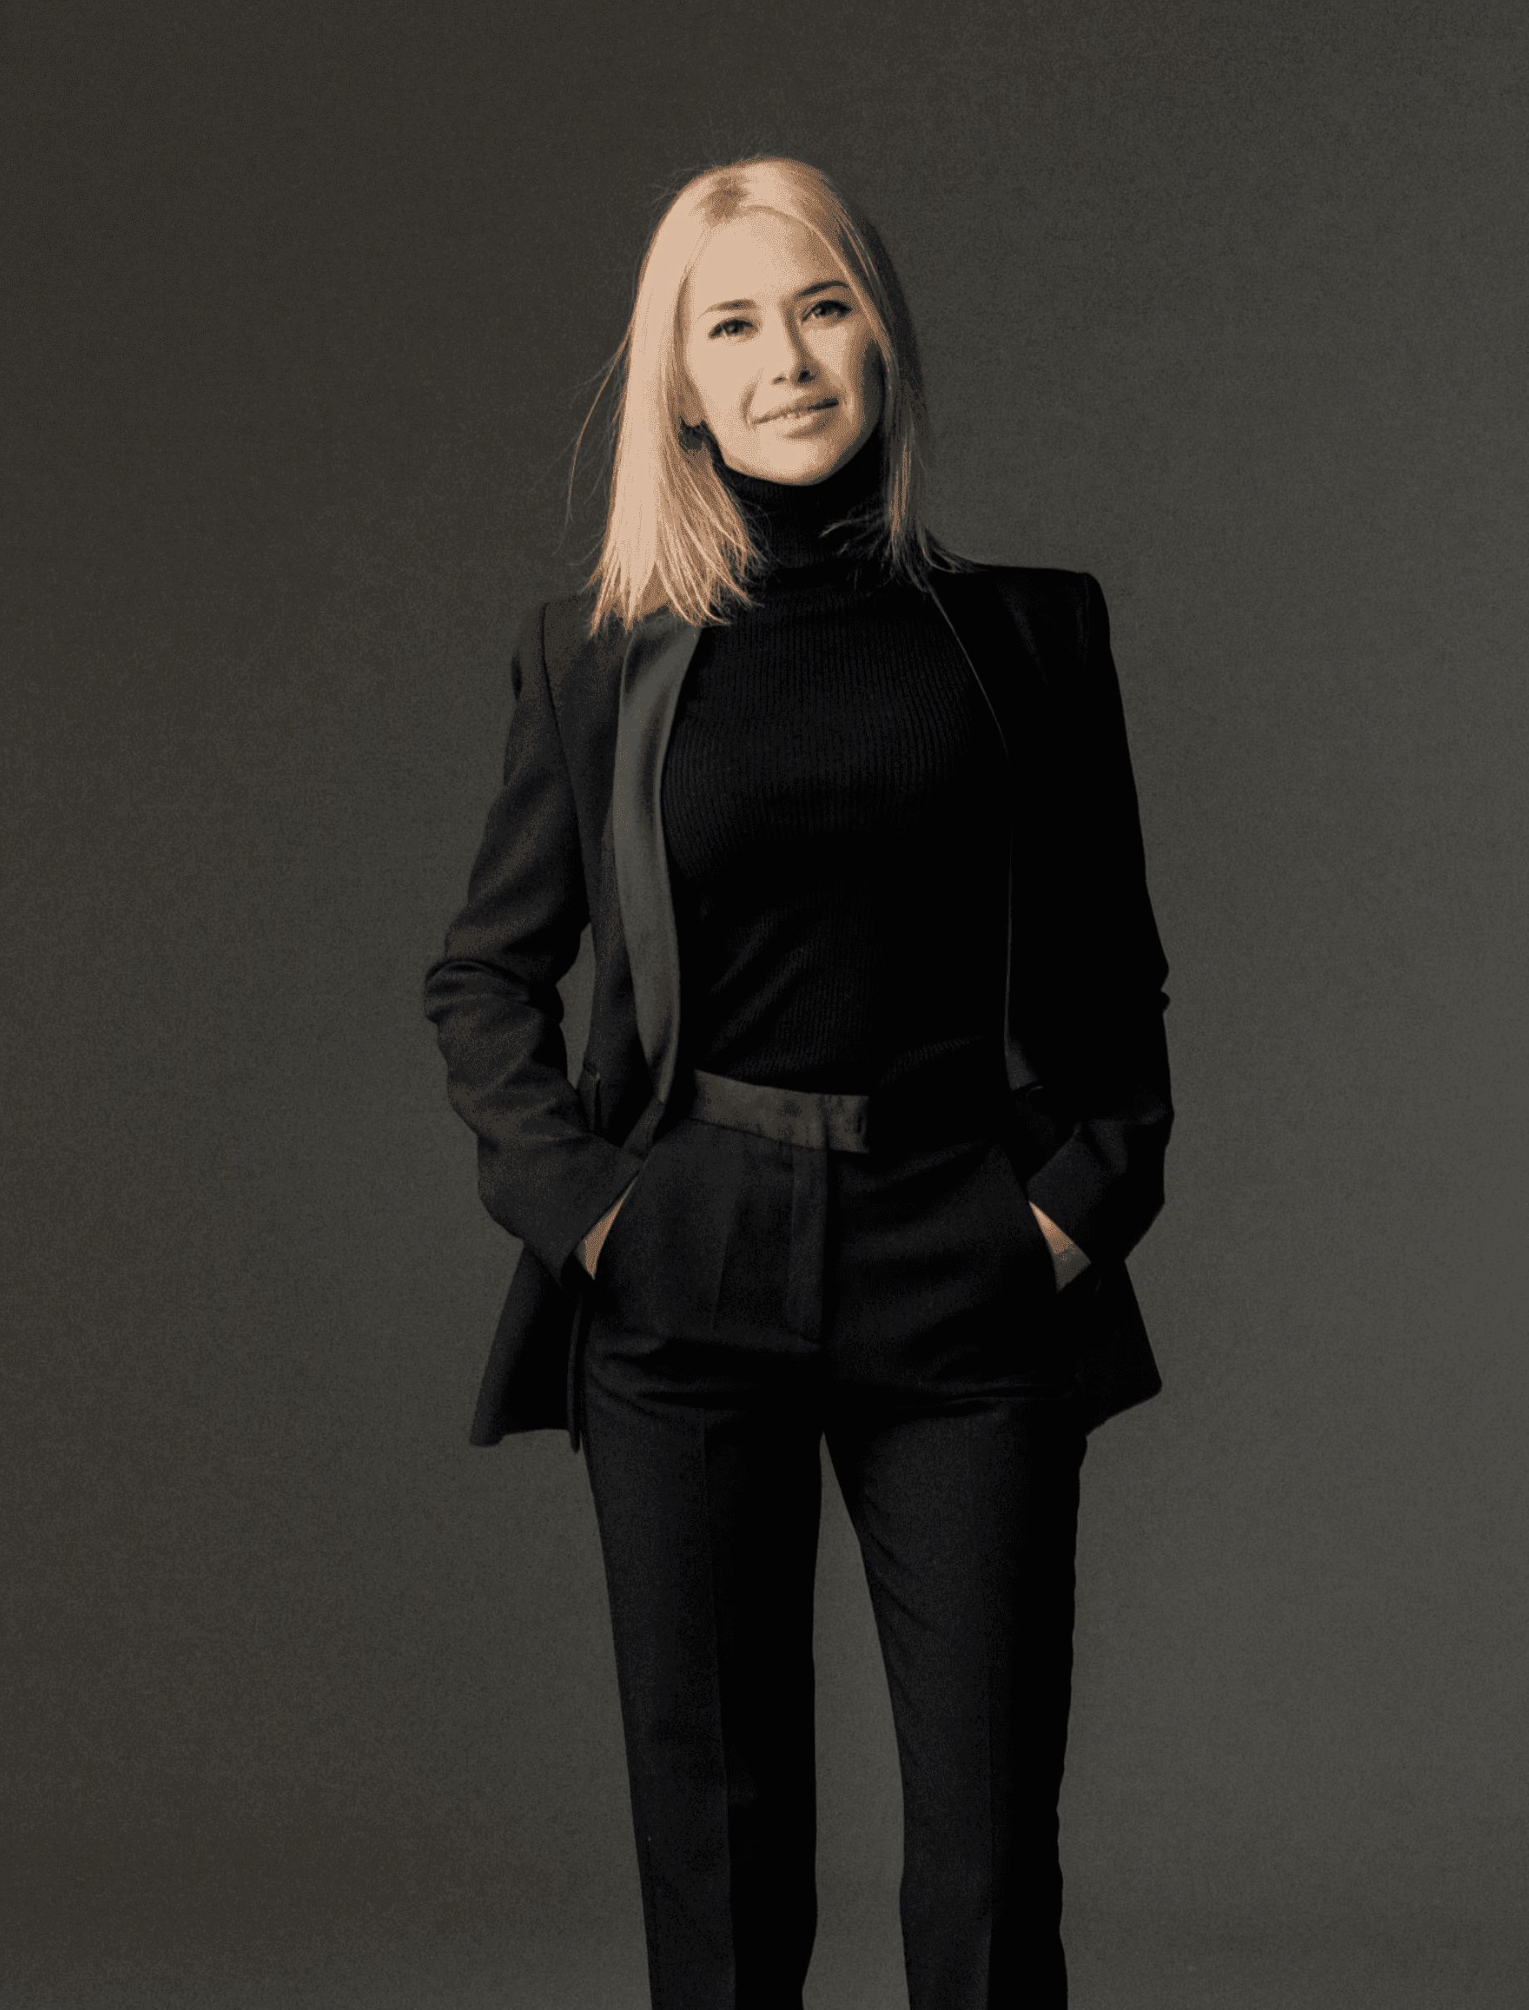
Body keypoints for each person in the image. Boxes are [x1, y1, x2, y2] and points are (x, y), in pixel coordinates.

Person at [423, 154, 1173, 2010]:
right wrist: (596, 1215)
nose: (788, 361)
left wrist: (1074, 1211)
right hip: (688, 1266)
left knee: (988, 1859)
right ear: (679, 382)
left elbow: (1114, 976)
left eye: (824, 307)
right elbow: (485, 975)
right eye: (735, 324)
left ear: (884, 338)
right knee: (720, 1855)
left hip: (963, 1260)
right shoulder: (593, 656)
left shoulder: (1031, 637)